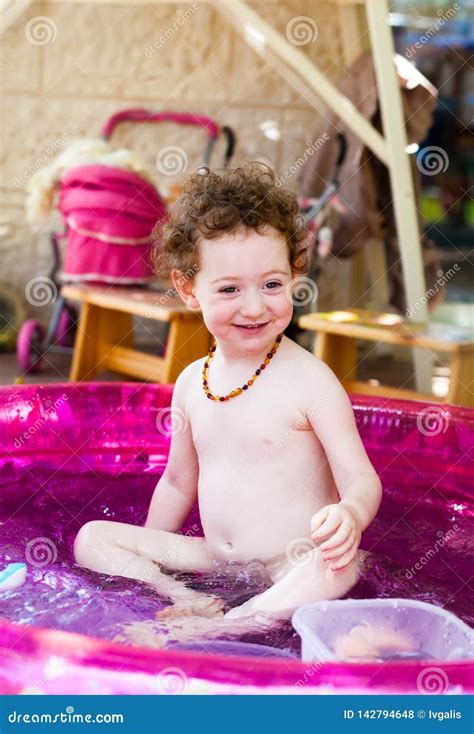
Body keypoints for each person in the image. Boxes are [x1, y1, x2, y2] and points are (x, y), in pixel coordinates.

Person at [73, 163, 382, 620]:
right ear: (188, 289)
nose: (255, 306)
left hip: (290, 561)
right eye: (230, 289)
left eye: (272, 284)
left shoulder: (310, 381)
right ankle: (183, 600)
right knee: (92, 538)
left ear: (295, 275)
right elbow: (178, 482)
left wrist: (351, 514)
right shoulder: (191, 384)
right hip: (215, 558)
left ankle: (239, 620)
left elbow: (361, 478)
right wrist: (150, 559)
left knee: (339, 565)